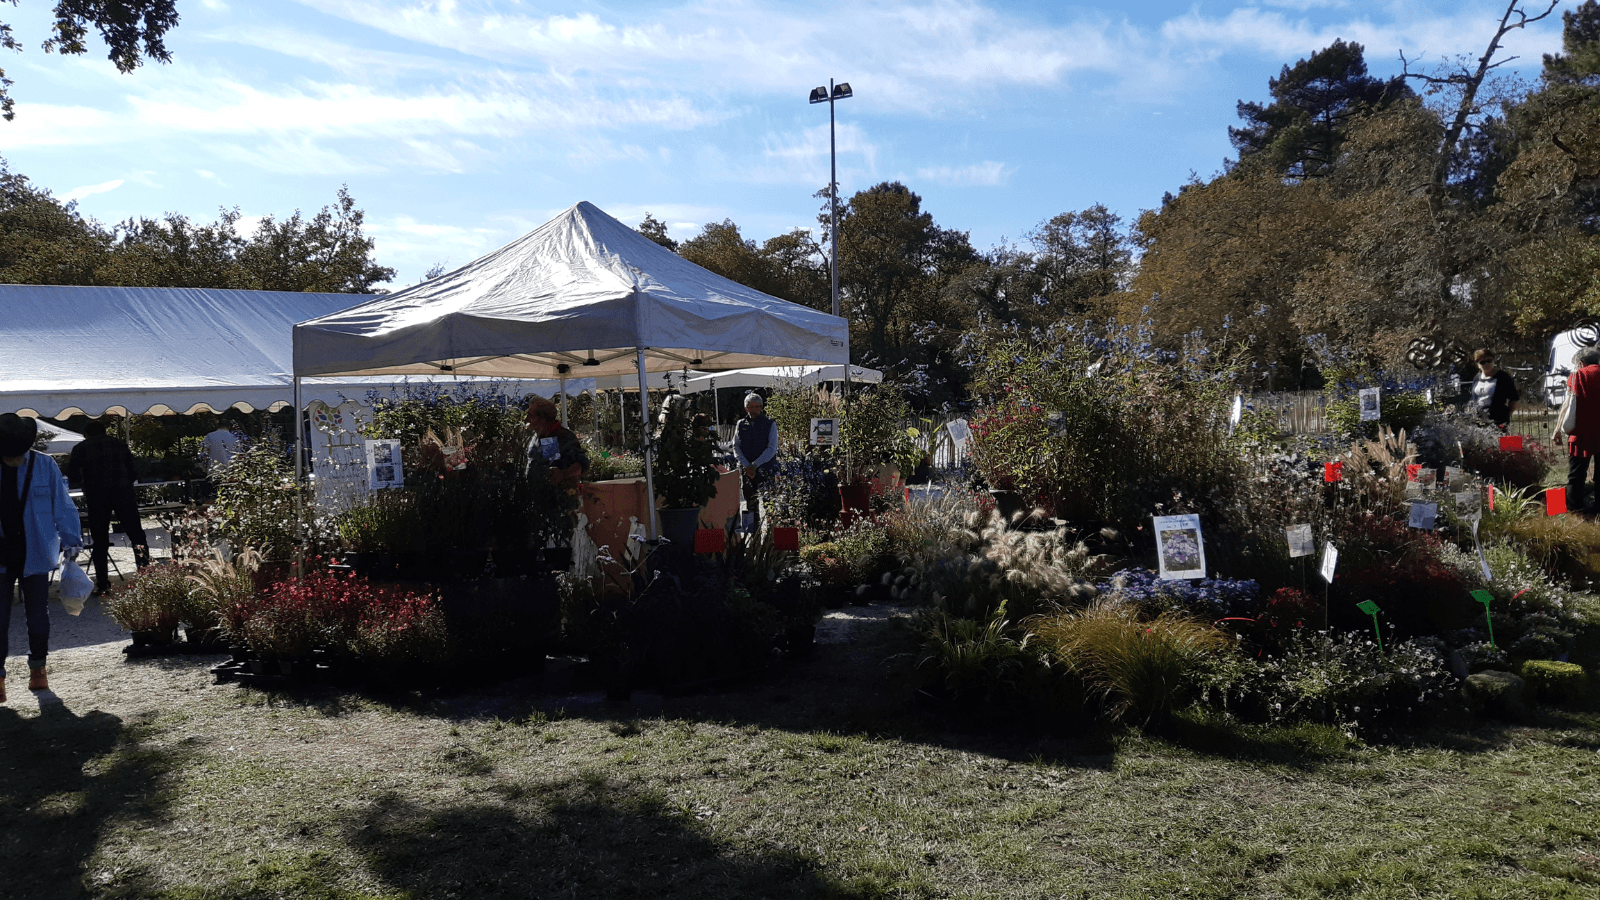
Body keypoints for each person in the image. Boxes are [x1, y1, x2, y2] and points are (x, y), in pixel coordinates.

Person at [0, 413, 82, 700]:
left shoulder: (44, 465)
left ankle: (38, 669)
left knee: (37, 616)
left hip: (35, 551)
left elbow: (63, 505)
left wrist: (72, 542)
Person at [66, 419, 150, 595]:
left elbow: (72, 474)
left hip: (97, 496)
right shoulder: (119, 445)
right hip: (123, 494)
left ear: (86, 434)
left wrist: (84, 482)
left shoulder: (81, 448)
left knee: (100, 541)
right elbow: (134, 471)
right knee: (137, 535)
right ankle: (145, 576)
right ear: (105, 431)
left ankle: (103, 584)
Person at [1561, 347, 1600, 515]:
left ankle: (1574, 507)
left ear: (1581, 362)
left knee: (1576, 473)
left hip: (1582, 431)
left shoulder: (1578, 375)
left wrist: (1558, 429)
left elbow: (1569, 403)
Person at [734, 392, 779, 530]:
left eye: (757, 406)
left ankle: (771, 537)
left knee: (770, 503)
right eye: (751, 406)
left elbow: (772, 448)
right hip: (747, 471)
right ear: (746, 408)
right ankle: (750, 535)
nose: (754, 409)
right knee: (749, 504)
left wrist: (755, 465)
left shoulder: (770, 423)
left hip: (765, 469)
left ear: (761, 407)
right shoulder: (741, 424)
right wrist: (746, 465)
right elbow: (736, 446)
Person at [525, 397, 589, 485]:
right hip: (535, 495)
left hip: (556, 496)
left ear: (542, 419)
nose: (527, 419)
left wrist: (563, 474)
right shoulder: (538, 436)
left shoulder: (562, 436)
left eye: (530, 415)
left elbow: (582, 463)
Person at [1468, 348, 1520, 431]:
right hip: (1478, 419)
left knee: (1501, 443)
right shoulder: (1476, 378)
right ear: (1478, 364)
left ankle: (1521, 444)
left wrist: (1507, 416)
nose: (1486, 364)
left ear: (1494, 361)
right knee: (1480, 443)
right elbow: (1473, 398)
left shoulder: (1503, 377)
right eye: (1482, 362)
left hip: (1497, 419)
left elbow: (1514, 398)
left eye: (1489, 361)